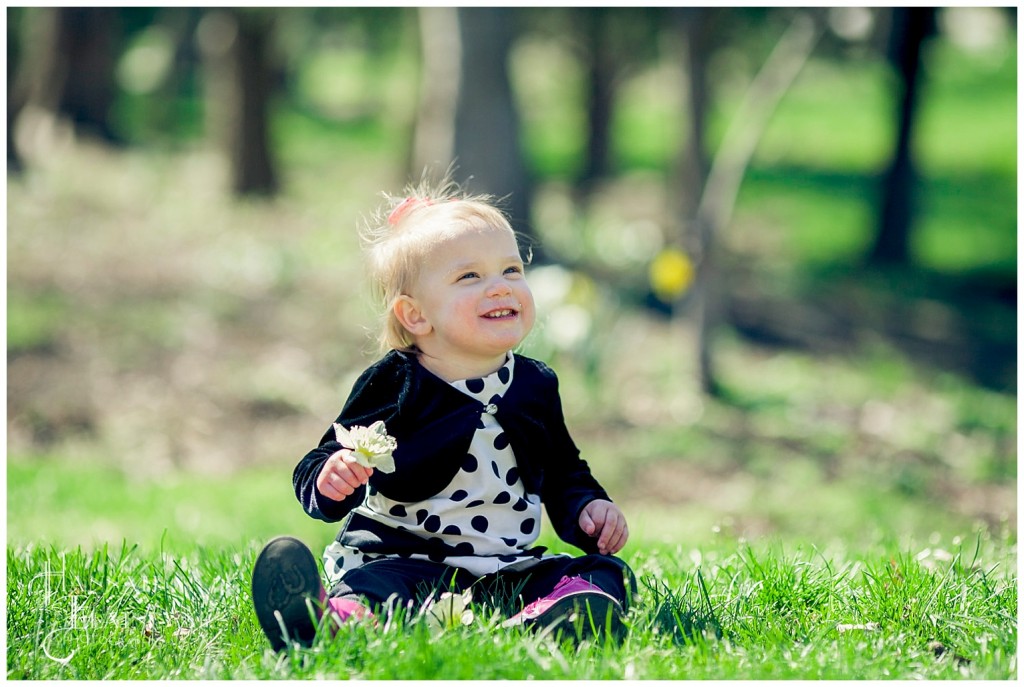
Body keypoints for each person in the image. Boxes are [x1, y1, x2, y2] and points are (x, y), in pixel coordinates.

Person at [251, 179, 634, 652]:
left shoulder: (536, 384)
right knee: (377, 587)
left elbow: (562, 469)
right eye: (470, 277)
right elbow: (323, 457)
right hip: (405, 559)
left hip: (504, 567)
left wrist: (586, 510)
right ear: (415, 316)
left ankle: (556, 614)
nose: (500, 287)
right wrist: (332, 479)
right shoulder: (397, 381)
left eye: (511, 270)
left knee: (606, 573)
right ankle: (332, 620)